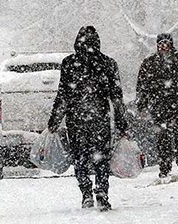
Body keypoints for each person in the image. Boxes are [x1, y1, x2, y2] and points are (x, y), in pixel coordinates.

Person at [48, 26, 128, 212]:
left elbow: (63, 96)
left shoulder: (69, 63)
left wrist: (54, 120)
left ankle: (86, 193)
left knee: (80, 158)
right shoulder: (108, 63)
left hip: (77, 120)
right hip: (100, 119)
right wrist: (122, 123)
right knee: (101, 159)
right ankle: (101, 192)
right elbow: (116, 97)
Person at [136, 33, 178, 178]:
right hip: (159, 106)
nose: (164, 46)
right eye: (161, 43)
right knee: (163, 139)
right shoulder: (149, 63)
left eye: (167, 43)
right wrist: (142, 105)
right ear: (157, 45)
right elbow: (142, 86)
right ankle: (165, 167)